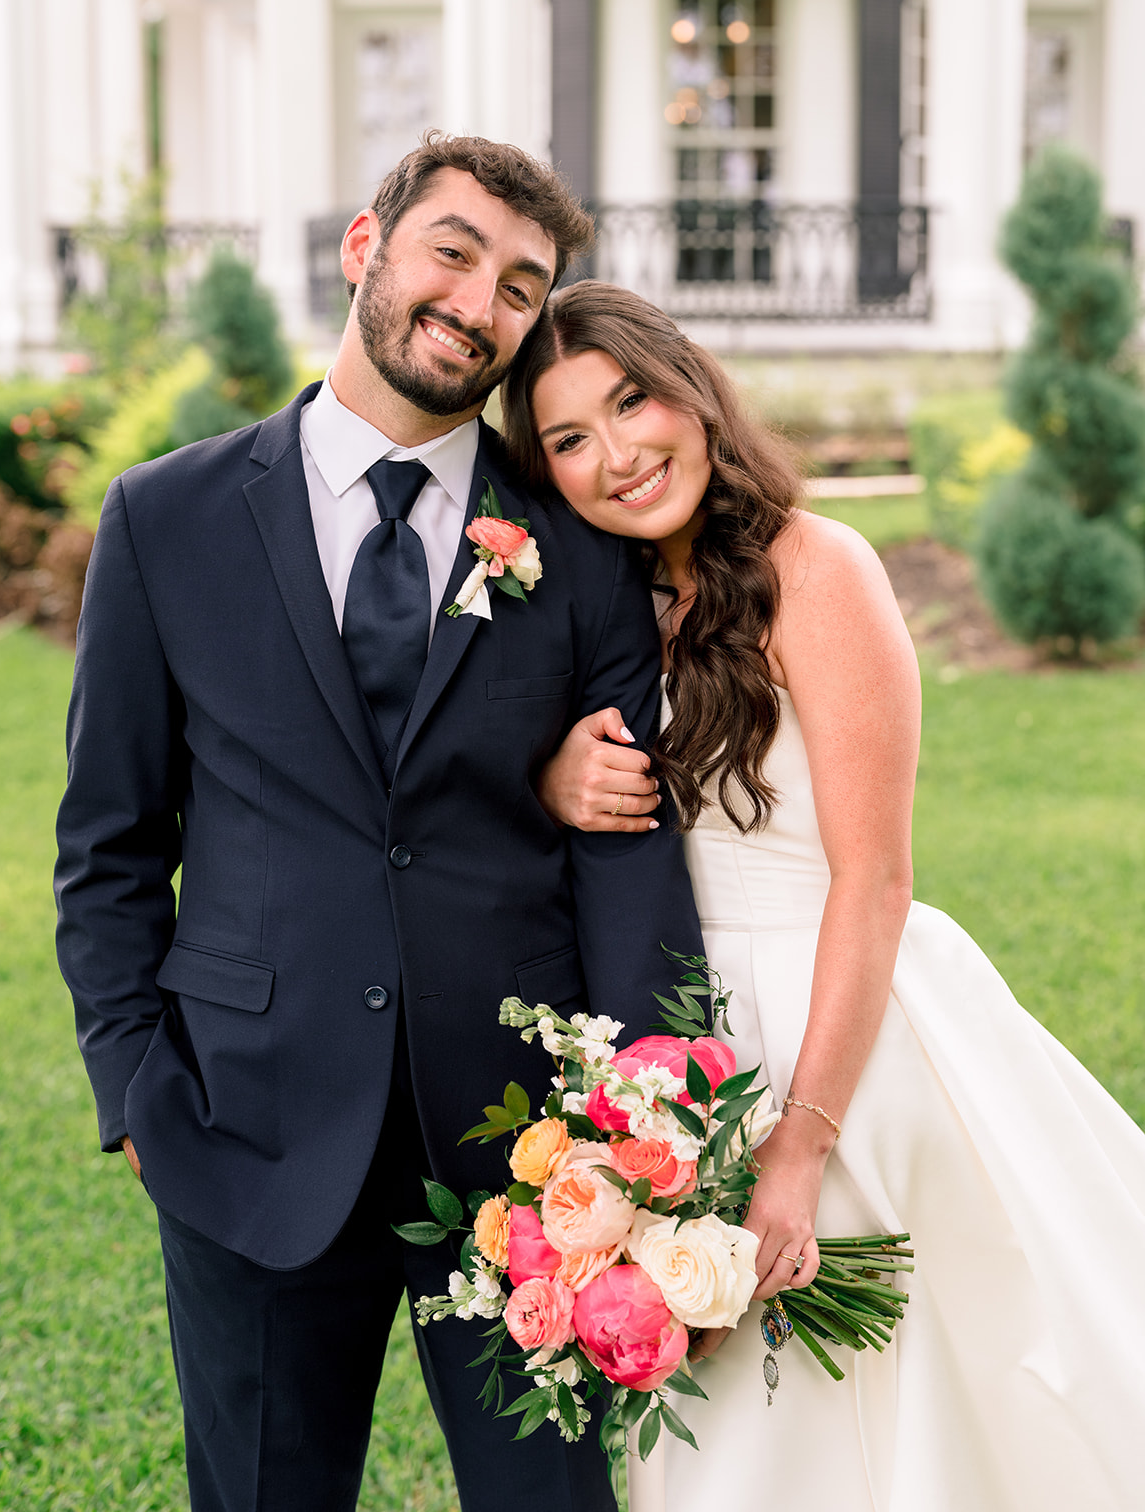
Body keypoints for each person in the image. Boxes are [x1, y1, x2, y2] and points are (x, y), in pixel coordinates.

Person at [54, 139, 703, 1512]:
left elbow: (628, 854)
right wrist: (135, 1097)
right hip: (248, 1125)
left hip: (534, 1159)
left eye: (522, 285)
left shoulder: (575, 548)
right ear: (367, 247)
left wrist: (640, 1125)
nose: (480, 302)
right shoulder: (165, 520)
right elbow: (110, 839)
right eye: (453, 252)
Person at [501, 279, 1145, 1512]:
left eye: (632, 401)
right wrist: (553, 776)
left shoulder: (818, 565)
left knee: (892, 1402)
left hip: (839, 1020)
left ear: (691, 388)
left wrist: (802, 1138)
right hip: (682, 1043)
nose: (619, 453)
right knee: (732, 1416)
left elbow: (876, 875)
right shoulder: (611, 599)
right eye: (572, 439)